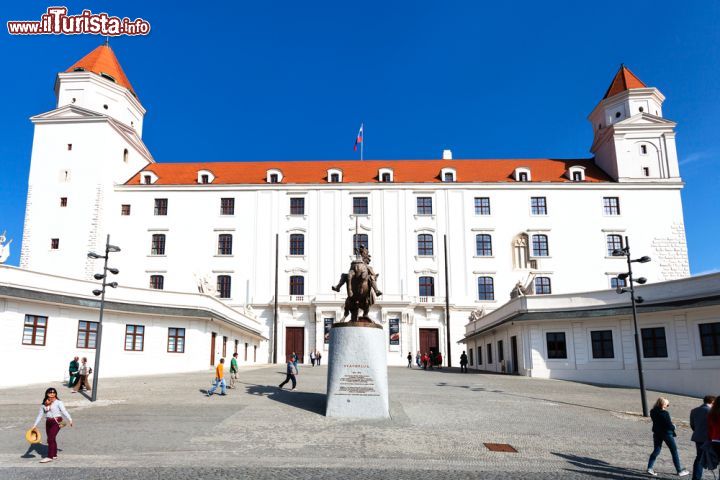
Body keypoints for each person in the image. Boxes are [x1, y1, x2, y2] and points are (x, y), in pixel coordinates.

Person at [647, 397, 689, 477]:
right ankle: (679, 471)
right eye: (667, 404)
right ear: (663, 404)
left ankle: (650, 468)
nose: (668, 405)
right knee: (674, 451)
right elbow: (669, 425)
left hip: (657, 433)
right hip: (667, 434)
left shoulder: (652, 411)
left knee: (656, 450)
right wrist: (674, 426)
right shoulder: (665, 413)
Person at [31, 387, 73, 463]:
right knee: (52, 439)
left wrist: (70, 419)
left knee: (50, 439)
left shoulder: (58, 402)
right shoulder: (44, 404)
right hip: (48, 422)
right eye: (50, 392)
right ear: (47, 394)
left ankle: (49, 456)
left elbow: (64, 411)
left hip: (57, 421)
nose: (52, 394)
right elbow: (40, 415)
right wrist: (34, 425)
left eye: (54, 392)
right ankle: (54, 455)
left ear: (56, 394)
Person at [690, 395, 715, 480]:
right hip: (710, 438)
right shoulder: (712, 412)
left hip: (698, 437)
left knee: (699, 457)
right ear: (712, 402)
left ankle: (696, 477)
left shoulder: (694, 410)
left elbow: (692, 425)